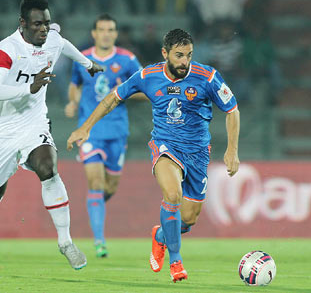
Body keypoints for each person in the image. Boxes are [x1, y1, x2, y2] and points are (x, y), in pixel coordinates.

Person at [67, 29, 240, 282]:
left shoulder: (208, 77)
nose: (185, 62)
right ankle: (176, 261)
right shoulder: (148, 75)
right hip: (165, 146)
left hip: (199, 153)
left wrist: (232, 150)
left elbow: (232, 110)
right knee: (172, 195)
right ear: (165, 53)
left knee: (189, 219)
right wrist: (85, 127)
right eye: (179, 55)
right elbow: (112, 99)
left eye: (189, 55)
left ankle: (160, 236)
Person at [0, 0, 103, 274]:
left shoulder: (51, 38)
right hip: (1, 133)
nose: (44, 29)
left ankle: (66, 242)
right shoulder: (5, 50)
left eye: (47, 23)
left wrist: (87, 64)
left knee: (48, 168)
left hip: (34, 124)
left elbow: (63, 45)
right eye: (38, 24)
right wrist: (27, 89)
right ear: (23, 23)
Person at [64, 13, 142, 257]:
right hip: (90, 132)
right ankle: (99, 241)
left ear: (115, 34)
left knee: (110, 186)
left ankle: (94, 206)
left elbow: (144, 89)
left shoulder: (127, 60)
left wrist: (123, 92)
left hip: (117, 131)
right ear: (94, 33)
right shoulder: (82, 58)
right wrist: (73, 102)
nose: (106, 33)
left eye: (110, 29)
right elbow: (74, 84)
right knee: (95, 183)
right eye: (102, 29)